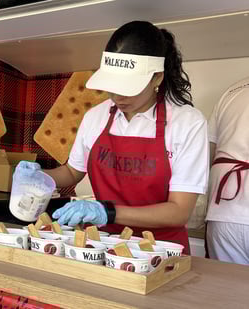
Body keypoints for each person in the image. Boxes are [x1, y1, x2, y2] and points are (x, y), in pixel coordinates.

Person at [16, 21, 209, 254]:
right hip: (101, 246)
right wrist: (38, 176)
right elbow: (71, 172)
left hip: (161, 251)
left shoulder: (187, 123)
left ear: (157, 78)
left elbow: (179, 211)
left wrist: (107, 211)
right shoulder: (95, 117)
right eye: (111, 85)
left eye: (128, 87)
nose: (117, 96)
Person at [205, 77, 249, 265]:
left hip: (224, 212)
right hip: (226, 209)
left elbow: (207, 153)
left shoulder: (233, 90)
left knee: (227, 291)